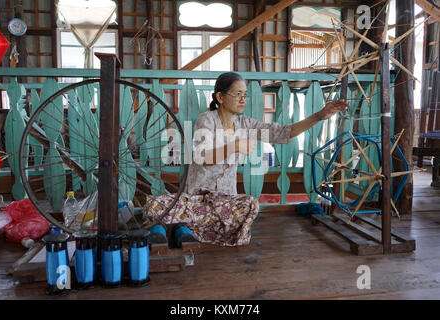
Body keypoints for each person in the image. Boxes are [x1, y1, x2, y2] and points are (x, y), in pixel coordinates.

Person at [145, 72, 349, 246]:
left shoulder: (245, 124)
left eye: (245, 95)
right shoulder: (206, 120)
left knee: (250, 204)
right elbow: (203, 157)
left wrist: (319, 116)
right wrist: (234, 145)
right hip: (197, 200)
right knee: (155, 205)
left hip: (225, 202)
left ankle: (183, 229)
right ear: (220, 97)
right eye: (237, 95)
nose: (243, 99)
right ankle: (186, 229)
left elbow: (282, 133)